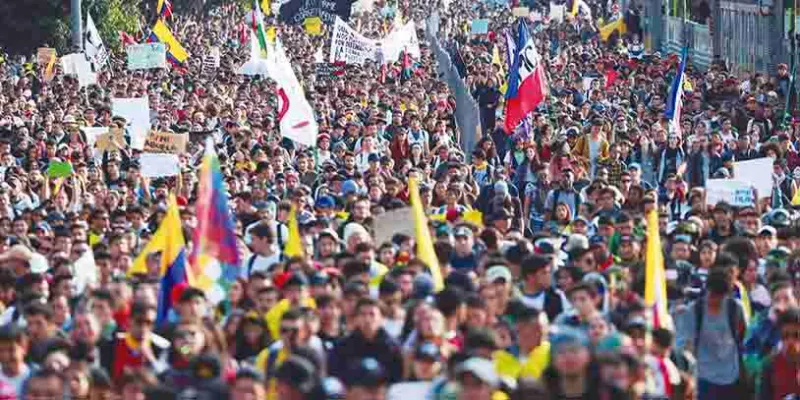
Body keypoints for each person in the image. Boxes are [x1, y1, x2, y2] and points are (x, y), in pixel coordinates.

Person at [329, 298, 403, 383]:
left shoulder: (393, 347)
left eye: (372, 314)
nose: (367, 319)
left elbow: (397, 377)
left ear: (382, 318)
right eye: (363, 314)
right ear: (356, 318)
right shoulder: (343, 346)